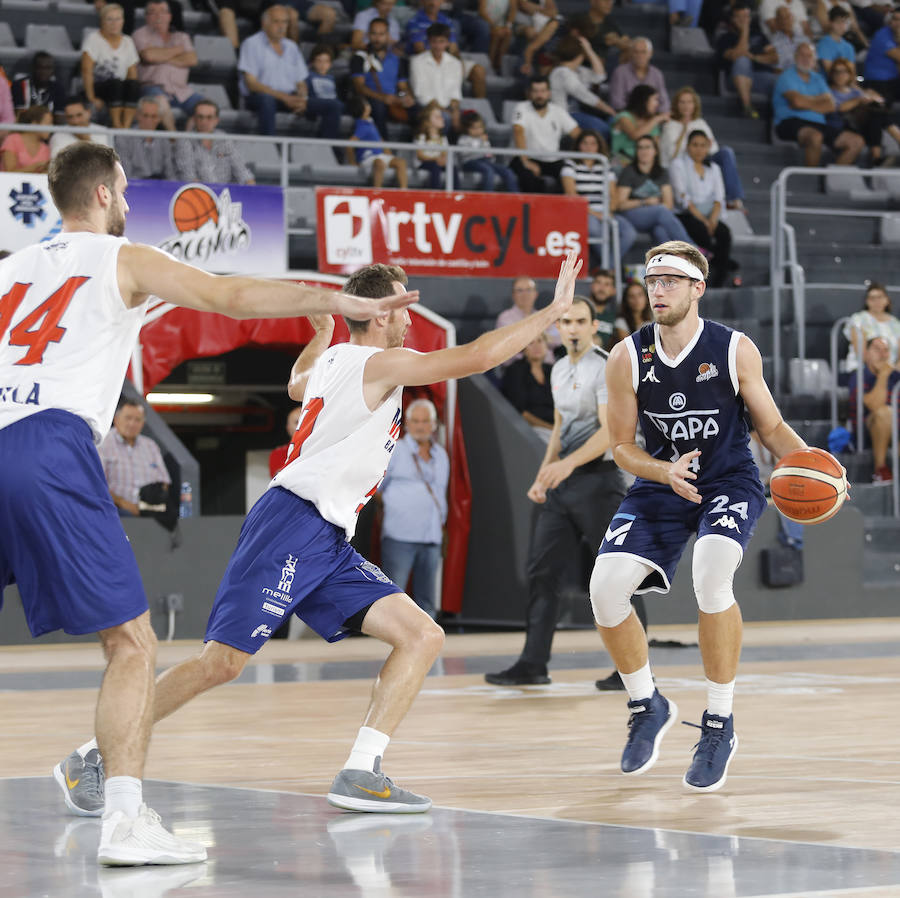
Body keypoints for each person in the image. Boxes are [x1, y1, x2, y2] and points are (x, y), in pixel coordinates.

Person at [58, 250, 583, 823]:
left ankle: (363, 769)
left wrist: (324, 332)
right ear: (381, 312)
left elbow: (295, 383)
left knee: (421, 636)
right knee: (221, 663)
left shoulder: (334, 360)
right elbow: (478, 356)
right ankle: (90, 757)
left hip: (327, 537)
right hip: (294, 522)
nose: (410, 315)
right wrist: (553, 310)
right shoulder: (377, 363)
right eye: (403, 303)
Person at [3, 141, 419, 864]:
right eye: (126, 191)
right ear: (103, 196)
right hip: (48, 444)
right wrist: (333, 299)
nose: (129, 204)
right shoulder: (120, 258)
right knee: (132, 645)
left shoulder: (10, 269)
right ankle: (125, 820)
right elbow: (231, 295)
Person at [591, 240, 811, 792]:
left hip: (727, 481)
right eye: (651, 280)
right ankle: (648, 705)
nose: (657, 290)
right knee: (604, 589)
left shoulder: (735, 350)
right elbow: (620, 447)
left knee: (712, 575)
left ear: (697, 288)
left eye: (669, 280)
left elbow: (772, 429)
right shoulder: (626, 355)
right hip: (664, 481)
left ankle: (719, 721)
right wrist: (662, 471)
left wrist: (814, 467)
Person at [485, 294, 643, 687]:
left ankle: (634, 669)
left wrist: (567, 464)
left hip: (600, 482)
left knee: (616, 576)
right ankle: (533, 664)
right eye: (566, 322)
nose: (572, 328)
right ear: (558, 329)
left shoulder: (606, 366)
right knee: (542, 572)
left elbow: (610, 432)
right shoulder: (557, 369)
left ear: (594, 326)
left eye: (580, 322)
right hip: (563, 486)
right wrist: (542, 476)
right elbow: (558, 428)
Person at [379, 398, 450, 619]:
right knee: (394, 594)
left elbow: (441, 491)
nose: (420, 426)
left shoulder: (442, 455)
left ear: (434, 424)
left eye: (425, 421)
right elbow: (378, 489)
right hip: (399, 535)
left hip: (431, 536)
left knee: (427, 598)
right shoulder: (395, 451)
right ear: (407, 423)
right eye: (415, 421)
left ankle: (428, 644)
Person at [238, 5, 341, 139]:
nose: (281, 26)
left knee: (333, 106)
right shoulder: (251, 44)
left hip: (290, 98)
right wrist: (284, 97)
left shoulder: (291, 46)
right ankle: (271, 148)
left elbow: (301, 81)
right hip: (261, 97)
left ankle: (329, 151)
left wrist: (301, 98)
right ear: (264, 24)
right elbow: (252, 84)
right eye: (276, 21)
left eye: (285, 22)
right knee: (266, 101)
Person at [772, 42, 865, 166]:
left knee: (856, 142)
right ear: (795, 57)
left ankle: (829, 178)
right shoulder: (786, 76)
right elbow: (797, 102)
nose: (806, 59)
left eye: (809, 55)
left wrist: (805, 101)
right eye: (802, 55)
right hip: (789, 122)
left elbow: (830, 106)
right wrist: (818, 101)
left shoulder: (818, 78)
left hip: (819, 124)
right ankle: (810, 181)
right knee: (815, 136)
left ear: (814, 59)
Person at [669, 130, 737, 289]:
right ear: (688, 147)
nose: (699, 149)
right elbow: (683, 198)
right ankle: (723, 262)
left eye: (702, 146)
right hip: (686, 214)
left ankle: (721, 273)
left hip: (709, 214)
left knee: (724, 233)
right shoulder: (678, 165)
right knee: (701, 231)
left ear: (708, 147)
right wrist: (704, 220)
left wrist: (712, 220)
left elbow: (719, 198)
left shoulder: (714, 168)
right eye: (695, 145)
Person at [660, 86, 746, 210]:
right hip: (681, 164)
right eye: (682, 102)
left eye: (689, 102)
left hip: (702, 160)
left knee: (726, 152)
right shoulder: (670, 126)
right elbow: (672, 155)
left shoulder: (700, 123)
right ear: (676, 105)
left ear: (695, 104)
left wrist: (702, 148)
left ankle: (733, 198)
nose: (686, 106)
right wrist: (684, 131)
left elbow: (713, 149)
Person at [614, 134, 692, 258]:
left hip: (653, 218)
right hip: (630, 215)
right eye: (640, 148)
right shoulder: (629, 171)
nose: (644, 151)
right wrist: (645, 202)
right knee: (661, 211)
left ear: (655, 151)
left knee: (661, 232)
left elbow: (669, 205)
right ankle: (692, 250)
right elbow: (620, 205)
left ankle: (674, 268)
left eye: (647, 147)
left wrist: (653, 206)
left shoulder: (661, 172)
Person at [133, 0, 204, 132]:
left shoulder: (181, 36)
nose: (158, 16)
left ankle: (187, 142)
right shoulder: (140, 34)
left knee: (204, 107)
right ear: (146, 16)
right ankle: (174, 139)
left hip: (181, 90)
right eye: (153, 12)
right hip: (152, 88)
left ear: (170, 16)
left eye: (162, 11)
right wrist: (177, 51)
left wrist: (161, 56)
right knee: (161, 102)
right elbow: (149, 56)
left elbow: (192, 59)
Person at [99, 399, 171, 517]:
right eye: (128, 418)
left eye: (137, 420)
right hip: (114, 511)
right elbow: (96, 484)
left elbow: (164, 481)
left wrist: (150, 504)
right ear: (116, 420)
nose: (132, 424)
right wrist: (123, 503)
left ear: (143, 423)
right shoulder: (103, 444)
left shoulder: (150, 446)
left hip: (150, 510)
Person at [510, 75, 581, 194]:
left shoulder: (557, 110)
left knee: (569, 177)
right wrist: (526, 161)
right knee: (528, 178)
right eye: (535, 91)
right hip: (527, 157)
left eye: (543, 91)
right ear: (529, 93)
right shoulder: (521, 108)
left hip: (553, 159)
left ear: (549, 93)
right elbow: (518, 131)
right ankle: (531, 211)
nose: (539, 95)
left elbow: (577, 133)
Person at [827, 58, 900, 167]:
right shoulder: (828, 91)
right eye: (837, 72)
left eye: (844, 72)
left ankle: (876, 158)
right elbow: (840, 108)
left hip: (865, 124)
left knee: (877, 116)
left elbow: (880, 101)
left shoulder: (855, 90)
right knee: (877, 117)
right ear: (832, 74)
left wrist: (872, 96)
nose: (840, 75)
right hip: (843, 125)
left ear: (850, 74)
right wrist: (859, 100)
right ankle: (879, 155)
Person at [350, 16, 416, 136]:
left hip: (393, 100)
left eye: (381, 34)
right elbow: (359, 87)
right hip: (371, 99)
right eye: (374, 34)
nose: (377, 38)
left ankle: (420, 148)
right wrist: (382, 97)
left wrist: (406, 97)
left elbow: (402, 86)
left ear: (388, 36)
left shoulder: (397, 59)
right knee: (378, 107)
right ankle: (384, 149)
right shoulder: (359, 57)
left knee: (418, 110)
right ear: (368, 35)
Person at [81, 2, 141, 130]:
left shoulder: (128, 41)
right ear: (102, 21)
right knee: (116, 83)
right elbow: (86, 70)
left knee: (134, 84)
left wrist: (132, 88)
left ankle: (126, 125)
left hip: (120, 88)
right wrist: (91, 98)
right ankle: (117, 124)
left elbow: (132, 72)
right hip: (100, 86)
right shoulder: (94, 39)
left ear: (123, 21)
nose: (114, 23)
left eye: (118, 19)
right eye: (110, 19)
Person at [848, 335, 900, 483]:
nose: (882, 355)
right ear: (866, 354)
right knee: (884, 413)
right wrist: (883, 375)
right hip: (866, 434)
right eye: (877, 349)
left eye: (886, 350)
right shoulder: (858, 376)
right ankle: (880, 470)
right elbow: (874, 405)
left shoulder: (896, 376)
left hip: (895, 433)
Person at [714, 1, 778, 119]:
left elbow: (775, 57)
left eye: (746, 16)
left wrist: (754, 57)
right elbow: (736, 55)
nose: (744, 20)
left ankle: (779, 117)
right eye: (741, 17)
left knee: (784, 79)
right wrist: (745, 31)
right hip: (735, 79)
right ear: (733, 19)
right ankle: (747, 106)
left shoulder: (759, 36)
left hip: (759, 77)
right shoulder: (725, 38)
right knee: (742, 60)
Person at [560, 129, 614, 269]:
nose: (589, 147)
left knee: (628, 232)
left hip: (604, 211)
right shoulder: (570, 164)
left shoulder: (605, 165)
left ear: (598, 146)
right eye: (585, 143)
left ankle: (606, 267)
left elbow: (613, 195)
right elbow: (572, 195)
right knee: (595, 229)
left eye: (593, 143)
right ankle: (609, 270)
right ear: (578, 145)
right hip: (583, 211)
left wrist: (609, 212)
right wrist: (596, 214)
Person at [173, 99, 255, 185]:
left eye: (209, 117)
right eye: (200, 117)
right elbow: (188, 177)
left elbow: (241, 170)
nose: (204, 122)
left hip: (224, 193)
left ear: (216, 121)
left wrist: (250, 184)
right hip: (197, 194)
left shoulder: (224, 139)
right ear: (194, 119)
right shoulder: (185, 140)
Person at [549, 34, 615, 140]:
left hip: (575, 114)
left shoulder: (577, 70)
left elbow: (600, 76)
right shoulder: (561, 73)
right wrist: (609, 110)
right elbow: (585, 96)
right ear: (580, 55)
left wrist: (589, 50)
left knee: (610, 122)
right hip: (563, 115)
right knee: (602, 129)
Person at [409, 23, 465, 132]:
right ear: (429, 42)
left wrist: (455, 111)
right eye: (434, 42)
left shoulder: (455, 63)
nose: (438, 46)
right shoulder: (417, 62)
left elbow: (455, 92)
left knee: (470, 121)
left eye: (441, 42)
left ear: (448, 43)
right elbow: (421, 93)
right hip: (424, 107)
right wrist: (444, 111)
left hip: (448, 107)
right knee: (444, 118)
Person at [347, 95, 410, 188]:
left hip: (380, 155)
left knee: (401, 163)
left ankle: (404, 192)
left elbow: (380, 140)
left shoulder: (370, 122)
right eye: (366, 104)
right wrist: (352, 162)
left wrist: (388, 153)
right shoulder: (361, 125)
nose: (369, 105)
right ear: (362, 108)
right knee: (379, 163)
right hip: (368, 158)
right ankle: (377, 190)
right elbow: (349, 144)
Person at [496, 276, 561, 364]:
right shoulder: (505, 318)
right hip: (517, 367)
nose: (524, 294)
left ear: (535, 294)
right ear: (513, 294)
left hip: (547, 367)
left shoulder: (544, 316)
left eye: (529, 290)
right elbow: (508, 347)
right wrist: (542, 337)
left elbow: (558, 339)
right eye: (519, 290)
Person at [501, 333, 555, 439]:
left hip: (556, 427)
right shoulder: (515, 371)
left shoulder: (552, 370)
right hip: (531, 429)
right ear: (523, 349)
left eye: (540, 341)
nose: (537, 347)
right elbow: (521, 412)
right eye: (530, 343)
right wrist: (552, 429)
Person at [457, 109, 519, 191]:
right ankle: (487, 196)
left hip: (486, 162)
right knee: (488, 170)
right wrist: (480, 142)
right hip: (470, 162)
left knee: (506, 171)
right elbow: (464, 153)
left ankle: (515, 197)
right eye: (474, 128)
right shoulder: (463, 139)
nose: (477, 130)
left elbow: (488, 153)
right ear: (466, 129)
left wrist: (490, 154)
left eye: (480, 127)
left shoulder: (484, 139)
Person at [843, 282, 900, 371]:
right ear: (867, 301)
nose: (876, 301)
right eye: (872, 298)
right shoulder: (858, 319)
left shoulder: (896, 323)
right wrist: (881, 371)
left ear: (887, 300)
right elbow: (861, 354)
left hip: (892, 372)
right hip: (863, 371)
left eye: (880, 297)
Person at [114, 96, 175, 180]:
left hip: (160, 188)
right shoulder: (124, 139)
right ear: (138, 116)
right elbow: (125, 174)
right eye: (145, 116)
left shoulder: (164, 141)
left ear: (159, 119)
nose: (149, 120)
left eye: (153, 116)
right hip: (134, 188)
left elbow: (170, 173)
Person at [610, 84, 668, 167]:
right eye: (655, 100)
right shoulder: (624, 117)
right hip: (621, 162)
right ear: (644, 101)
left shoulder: (651, 122)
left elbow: (656, 148)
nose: (657, 104)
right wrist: (656, 119)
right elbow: (635, 135)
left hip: (644, 165)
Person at [608, 37, 670, 114]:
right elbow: (616, 103)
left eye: (643, 52)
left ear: (650, 53)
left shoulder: (657, 74)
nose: (639, 56)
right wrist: (638, 115)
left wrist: (654, 116)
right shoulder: (620, 72)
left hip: (651, 117)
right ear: (631, 53)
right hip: (627, 116)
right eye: (636, 52)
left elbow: (664, 103)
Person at [11, 51, 68, 120]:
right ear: (33, 68)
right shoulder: (19, 86)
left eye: (48, 68)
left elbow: (59, 118)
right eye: (40, 67)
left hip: (49, 129)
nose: (44, 72)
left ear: (53, 70)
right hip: (24, 128)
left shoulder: (58, 89)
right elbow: (18, 117)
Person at [862, 7, 900, 107]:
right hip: (877, 82)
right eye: (895, 19)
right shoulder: (882, 35)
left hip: (892, 80)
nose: (897, 23)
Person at [0, 106, 52, 173]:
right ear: (34, 124)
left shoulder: (46, 148)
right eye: (47, 124)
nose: (51, 128)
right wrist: (35, 166)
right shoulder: (12, 140)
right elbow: (9, 172)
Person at [414, 100, 452, 188]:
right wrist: (435, 159)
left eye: (441, 116)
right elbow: (420, 155)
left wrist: (442, 159)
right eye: (437, 117)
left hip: (438, 162)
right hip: (425, 163)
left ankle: (455, 194)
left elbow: (444, 152)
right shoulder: (421, 137)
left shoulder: (443, 138)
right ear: (427, 121)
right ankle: (435, 193)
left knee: (452, 168)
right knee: (435, 167)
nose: (442, 119)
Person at [817, 5, 857, 74]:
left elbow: (852, 73)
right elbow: (830, 72)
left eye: (844, 22)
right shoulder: (824, 44)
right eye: (838, 22)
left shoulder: (849, 47)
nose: (842, 25)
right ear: (830, 22)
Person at [478, 0, 516, 74]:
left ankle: (500, 64)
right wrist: (494, 26)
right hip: (485, 22)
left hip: (500, 24)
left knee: (508, 33)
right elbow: (482, 12)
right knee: (497, 34)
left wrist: (508, 26)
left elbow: (513, 10)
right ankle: (490, 64)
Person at [269, 405, 303, 477]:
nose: (301, 425)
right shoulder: (277, 453)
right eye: (297, 422)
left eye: (304, 421)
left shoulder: (322, 449)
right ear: (288, 428)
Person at [589, 269, 619, 349]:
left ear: (613, 291)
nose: (602, 288)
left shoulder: (614, 318)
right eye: (598, 282)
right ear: (592, 286)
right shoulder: (576, 310)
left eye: (607, 284)